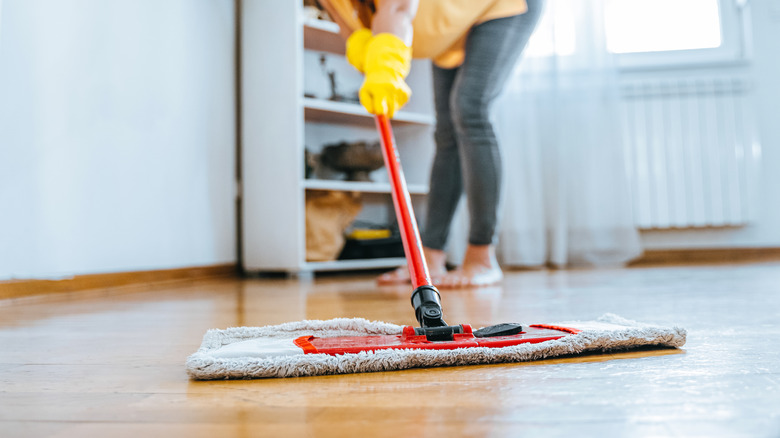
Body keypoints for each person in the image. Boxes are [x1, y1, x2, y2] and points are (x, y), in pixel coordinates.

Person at [322, 0, 543, 287]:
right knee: (447, 133)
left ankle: (482, 257)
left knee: (470, 109)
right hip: (452, 28)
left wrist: (387, 69)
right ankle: (430, 258)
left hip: (500, 7)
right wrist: (370, 58)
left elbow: (398, 9)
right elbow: (355, 34)